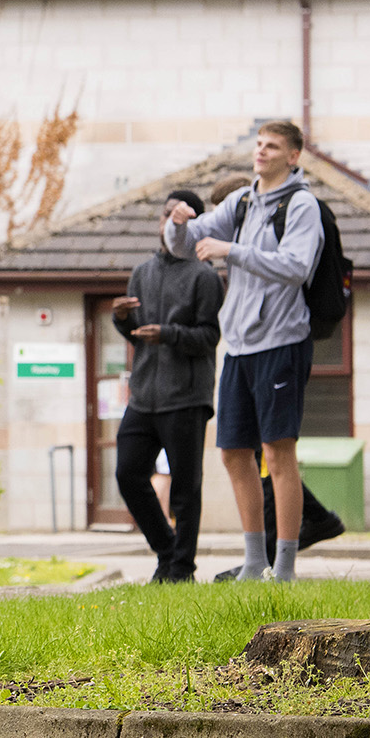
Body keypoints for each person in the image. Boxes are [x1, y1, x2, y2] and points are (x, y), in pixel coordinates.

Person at [164, 121, 322, 582]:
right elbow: (190, 241)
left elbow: (295, 266)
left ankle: (285, 567)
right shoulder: (243, 200)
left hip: (282, 342)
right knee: (234, 452)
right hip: (239, 345)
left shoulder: (302, 205)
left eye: (272, 145)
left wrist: (231, 251)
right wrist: (178, 227)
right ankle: (254, 563)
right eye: (258, 144)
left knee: (278, 451)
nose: (261, 151)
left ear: (293, 156)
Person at [110, 188, 223, 582]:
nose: (166, 223)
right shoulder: (141, 272)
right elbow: (137, 337)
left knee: (186, 488)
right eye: (164, 215)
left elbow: (209, 337)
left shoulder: (205, 277)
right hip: (143, 396)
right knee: (128, 473)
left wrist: (170, 334)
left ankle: (180, 569)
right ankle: (167, 550)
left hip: (186, 397)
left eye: (175, 217)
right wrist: (120, 319)